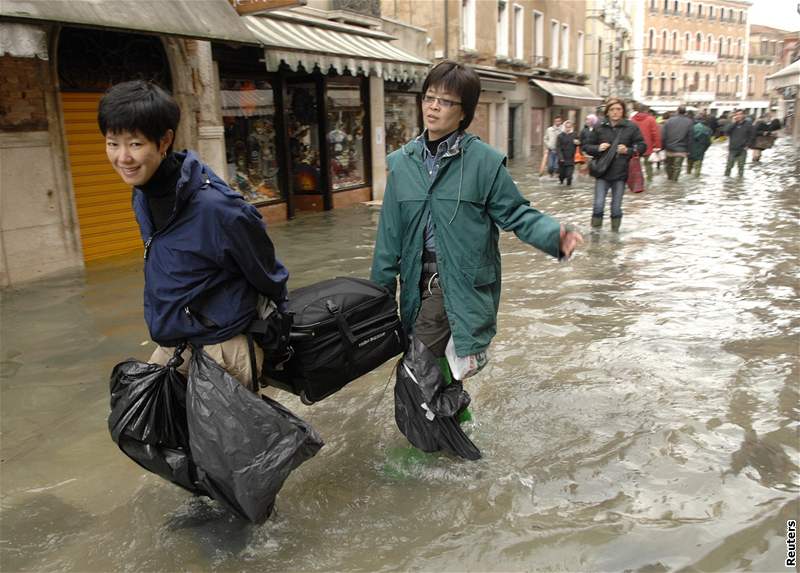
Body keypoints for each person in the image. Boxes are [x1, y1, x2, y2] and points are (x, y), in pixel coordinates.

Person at [370, 61, 583, 443]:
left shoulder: (484, 162)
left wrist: (556, 236)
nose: (433, 107)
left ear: (464, 113)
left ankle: (427, 449)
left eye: (445, 102)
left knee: (416, 366)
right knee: (436, 364)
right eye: (429, 98)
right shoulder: (402, 164)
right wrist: (378, 293)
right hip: (415, 281)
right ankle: (460, 427)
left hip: (461, 282)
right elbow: (389, 235)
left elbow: (517, 213)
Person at [98, 80, 289, 389]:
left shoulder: (219, 209)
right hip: (174, 344)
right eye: (112, 143)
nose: (123, 157)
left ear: (164, 141)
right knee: (142, 425)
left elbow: (268, 274)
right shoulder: (142, 196)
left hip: (223, 350)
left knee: (229, 439)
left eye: (135, 144)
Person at [583, 98, 646, 231]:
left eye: (618, 109)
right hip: (602, 172)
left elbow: (642, 146)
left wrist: (628, 150)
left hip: (621, 173)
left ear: (623, 111)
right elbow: (587, 146)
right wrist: (598, 148)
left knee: (616, 207)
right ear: (607, 112)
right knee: (598, 205)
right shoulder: (599, 127)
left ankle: (614, 237)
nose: (615, 112)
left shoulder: (631, 127)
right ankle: (595, 236)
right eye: (612, 109)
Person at [630, 101, 662, 182]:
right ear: (645, 110)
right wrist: (657, 146)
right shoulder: (651, 119)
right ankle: (649, 181)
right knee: (648, 166)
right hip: (648, 146)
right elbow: (656, 133)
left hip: (636, 146)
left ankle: (638, 182)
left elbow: (629, 134)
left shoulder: (632, 120)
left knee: (636, 166)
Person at [660, 105, 693, 181]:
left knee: (668, 165)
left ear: (677, 111)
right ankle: (674, 183)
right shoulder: (689, 122)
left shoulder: (668, 121)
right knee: (677, 167)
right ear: (685, 112)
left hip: (669, 148)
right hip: (681, 149)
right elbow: (690, 138)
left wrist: (662, 147)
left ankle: (669, 180)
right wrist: (689, 150)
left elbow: (663, 136)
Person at [722, 108, 754, 177]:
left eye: (740, 114)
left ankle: (739, 182)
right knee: (728, 167)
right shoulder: (732, 124)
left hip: (742, 149)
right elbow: (726, 131)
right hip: (733, 149)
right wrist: (733, 123)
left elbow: (752, 136)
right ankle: (726, 182)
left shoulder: (748, 124)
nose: (739, 116)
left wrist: (748, 145)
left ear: (744, 115)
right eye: (737, 114)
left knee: (741, 167)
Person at [556, 120, 579, 186]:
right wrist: (561, 157)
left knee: (569, 176)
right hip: (562, 159)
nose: (568, 129)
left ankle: (568, 189)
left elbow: (580, 144)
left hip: (571, 159)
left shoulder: (575, 135)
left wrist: (578, 143)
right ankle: (561, 184)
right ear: (564, 127)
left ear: (571, 127)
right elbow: (558, 148)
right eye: (566, 127)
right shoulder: (560, 136)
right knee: (562, 176)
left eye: (569, 127)